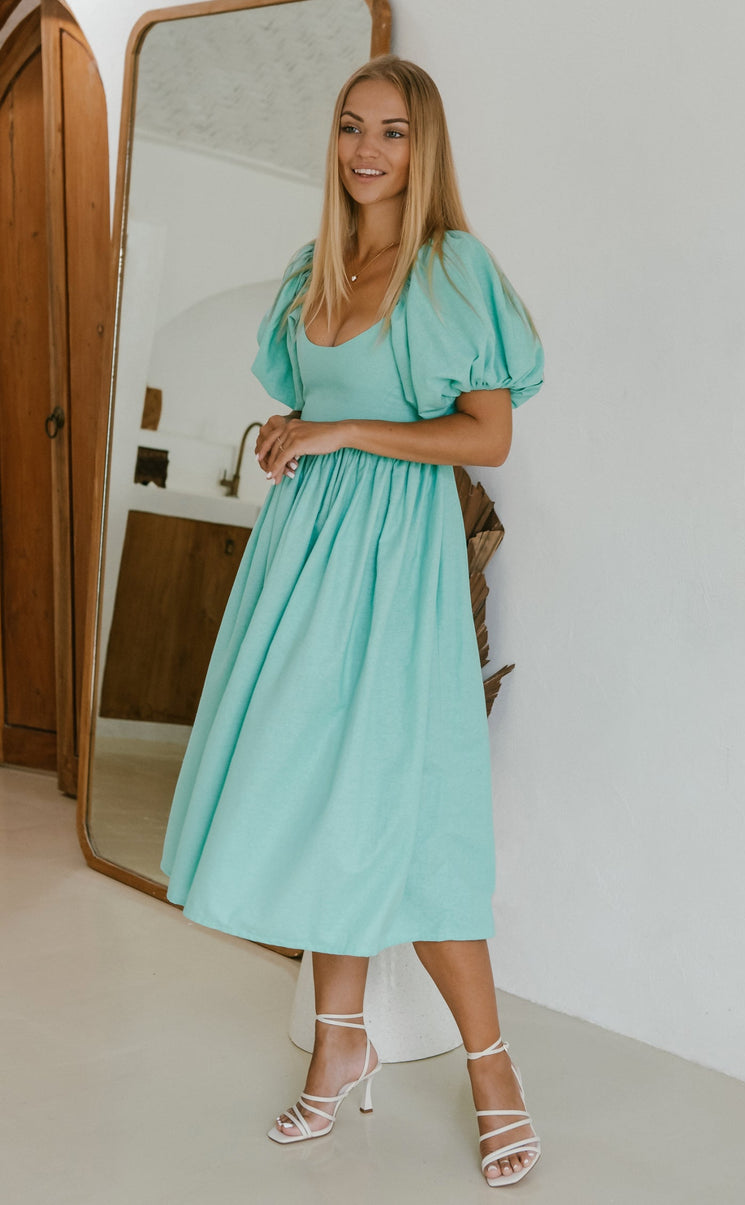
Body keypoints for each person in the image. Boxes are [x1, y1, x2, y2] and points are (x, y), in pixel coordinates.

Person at [160, 55, 544, 1187]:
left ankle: (492, 1070)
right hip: (304, 560)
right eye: (350, 126)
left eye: (392, 130)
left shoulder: (451, 267)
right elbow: (320, 402)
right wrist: (294, 427)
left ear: (424, 150)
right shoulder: (313, 268)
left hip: (396, 567)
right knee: (321, 792)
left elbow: (485, 435)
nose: (367, 149)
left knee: (409, 812)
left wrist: (342, 433)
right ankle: (340, 1044)